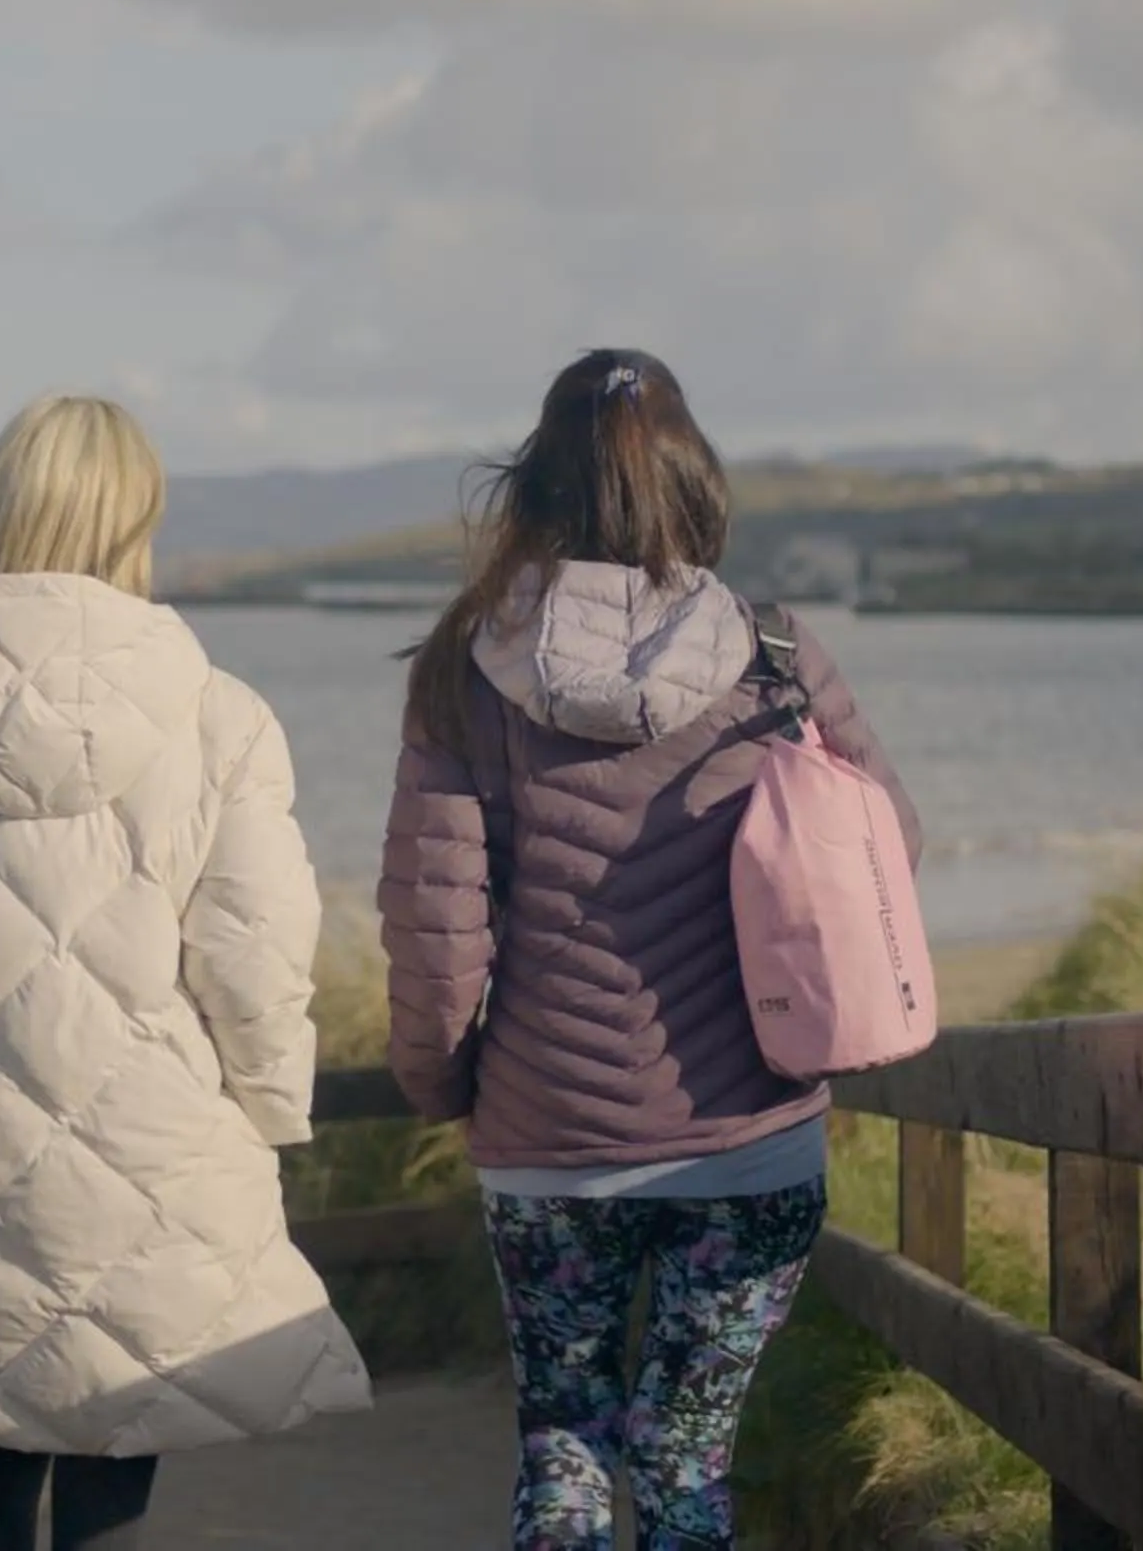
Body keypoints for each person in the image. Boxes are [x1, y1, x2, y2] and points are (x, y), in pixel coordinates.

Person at [377, 349, 919, 1551]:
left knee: (564, 1439)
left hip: (547, 1144)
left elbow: (437, 928)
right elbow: (886, 852)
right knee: (686, 1461)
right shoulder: (778, 656)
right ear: (691, 478)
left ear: (536, 489)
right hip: (751, 1139)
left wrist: (443, 1085)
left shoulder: (463, 674)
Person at [0, 394, 373, 1551]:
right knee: (117, 1465)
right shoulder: (223, 713)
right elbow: (255, 954)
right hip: (159, 1142)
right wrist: (269, 1105)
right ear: (134, 528)